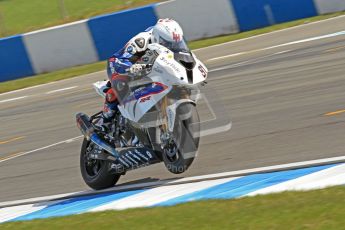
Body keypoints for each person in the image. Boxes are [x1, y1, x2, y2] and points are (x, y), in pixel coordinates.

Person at [101, 18, 187, 126]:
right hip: (123, 63)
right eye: (167, 43)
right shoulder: (141, 40)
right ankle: (107, 116)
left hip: (149, 67)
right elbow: (123, 59)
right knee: (121, 82)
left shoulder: (172, 39)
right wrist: (132, 68)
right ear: (158, 38)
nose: (172, 46)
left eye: (176, 43)